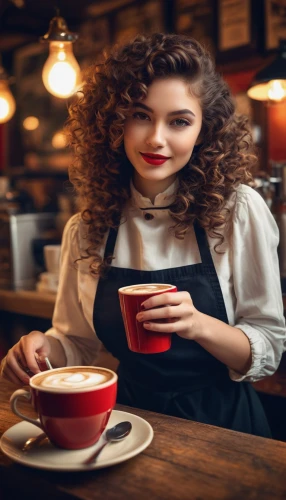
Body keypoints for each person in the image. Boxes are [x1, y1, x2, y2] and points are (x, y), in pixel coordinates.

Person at [1, 33, 285, 437]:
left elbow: (268, 349)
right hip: (126, 424)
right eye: (140, 115)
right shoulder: (87, 227)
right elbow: (76, 343)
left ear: (204, 131)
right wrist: (43, 346)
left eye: (180, 121)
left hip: (226, 428)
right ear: (113, 122)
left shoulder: (238, 210)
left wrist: (198, 324)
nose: (156, 138)